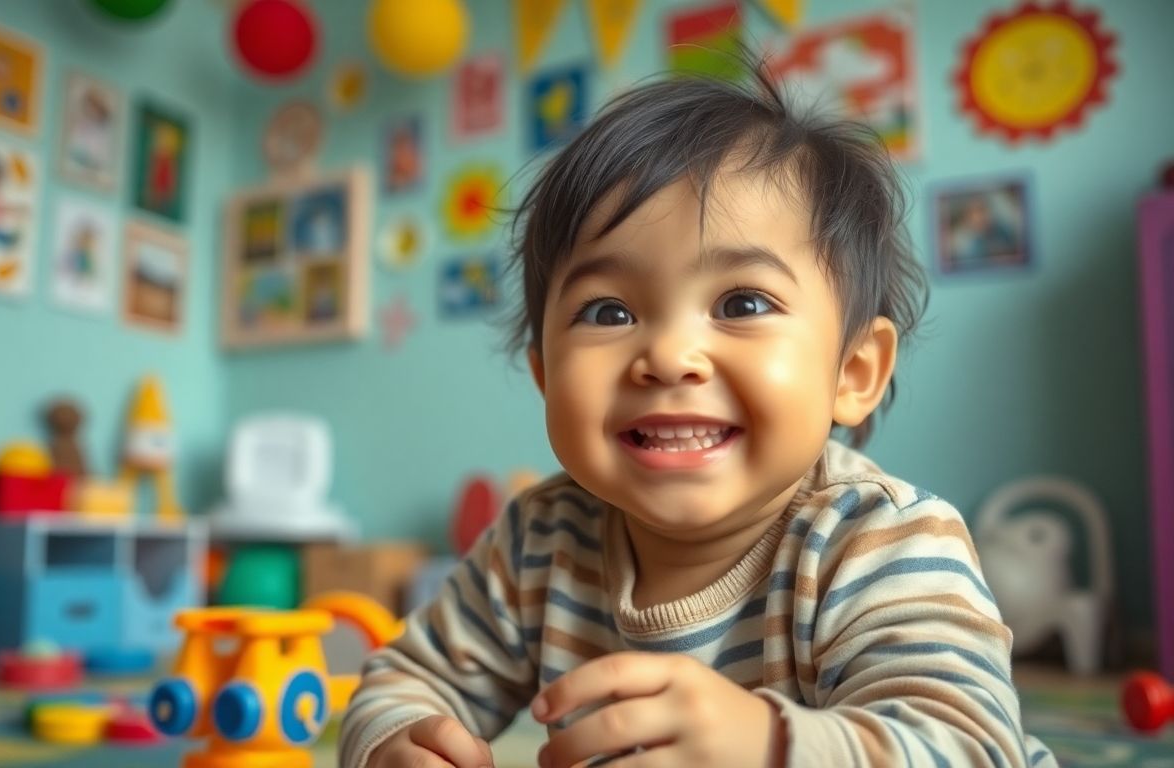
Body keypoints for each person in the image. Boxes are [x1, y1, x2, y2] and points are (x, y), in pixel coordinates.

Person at [340, 65, 1057, 768]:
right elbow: (405, 678)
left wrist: (773, 747)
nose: (670, 356)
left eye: (741, 304)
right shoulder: (538, 544)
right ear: (545, 375)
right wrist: (397, 742)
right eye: (608, 311)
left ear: (853, 372)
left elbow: (968, 746)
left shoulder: (879, 541)